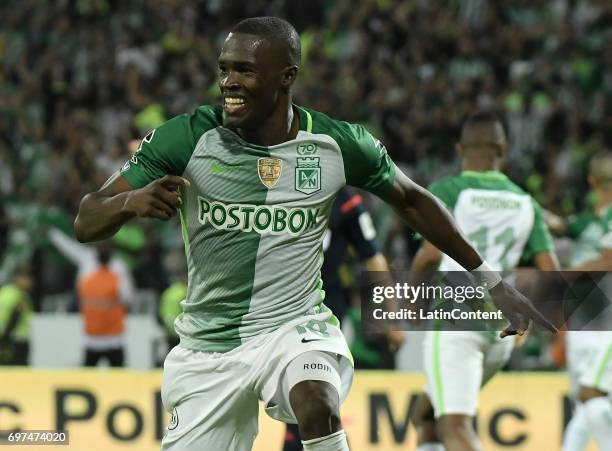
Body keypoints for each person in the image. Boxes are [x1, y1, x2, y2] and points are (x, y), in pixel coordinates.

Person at [74, 17, 556, 451]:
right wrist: (128, 202)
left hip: (294, 327)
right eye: (224, 69)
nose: (228, 83)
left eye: (244, 70)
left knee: (317, 403)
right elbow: (87, 219)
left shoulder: (337, 144)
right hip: (209, 347)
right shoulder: (186, 136)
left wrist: (491, 281)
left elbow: (412, 200)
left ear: (286, 77)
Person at [409, 112, 560, 451]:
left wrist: (413, 304)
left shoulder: (448, 190)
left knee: (455, 427)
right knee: (426, 415)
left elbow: (430, 256)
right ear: (502, 150)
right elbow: (551, 269)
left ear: (460, 149)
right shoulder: (526, 202)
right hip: (502, 331)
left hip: (455, 322)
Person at [282, 187, 404, 451]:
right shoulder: (276, 186)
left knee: (312, 406)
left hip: (321, 316)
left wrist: (393, 316)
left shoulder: (344, 200)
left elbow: (374, 259)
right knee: (302, 411)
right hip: (273, 313)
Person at [547, 151, 612, 451]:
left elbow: (609, 260)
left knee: (592, 395)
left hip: (607, 323)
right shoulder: (585, 222)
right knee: (584, 403)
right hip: (581, 323)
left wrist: (566, 274)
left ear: (590, 181)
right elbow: (559, 226)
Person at [48, 228, 134, 367]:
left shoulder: (119, 268)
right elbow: (69, 248)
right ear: (95, 248)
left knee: (118, 380)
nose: (104, 249)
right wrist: (53, 234)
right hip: (91, 337)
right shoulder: (87, 261)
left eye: (107, 246)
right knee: (88, 377)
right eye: (101, 246)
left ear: (113, 249)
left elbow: (127, 297)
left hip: (114, 338)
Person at [0, 268, 33, 365]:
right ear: (18, 278)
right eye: (27, 279)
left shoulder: (4, 292)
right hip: (16, 340)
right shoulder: (20, 296)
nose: (30, 282)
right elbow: (15, 317)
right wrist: (5, 339)